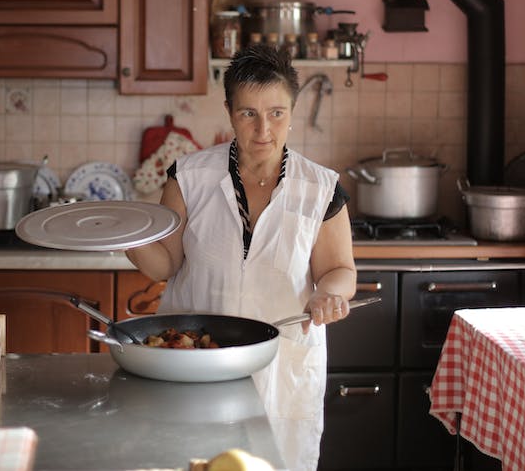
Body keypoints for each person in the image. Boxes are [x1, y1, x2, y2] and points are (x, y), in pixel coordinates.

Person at [125, 44, 357, 471]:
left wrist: (329, 295)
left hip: (281, 366)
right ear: (229, 110)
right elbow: (166, 265)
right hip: (196, 361)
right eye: (248, 113)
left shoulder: (321, 189)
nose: (262, 129)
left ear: (293, 109)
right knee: (192, 461)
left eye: (276, 113)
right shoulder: (189, 177)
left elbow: (339, 270)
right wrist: (127, 236)